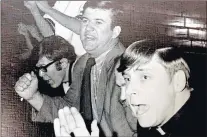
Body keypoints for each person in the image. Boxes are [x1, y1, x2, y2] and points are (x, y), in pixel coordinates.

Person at [15, 1, 136, 136]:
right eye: (85, 21)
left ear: (115, 32)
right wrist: (33, 96)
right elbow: (70, 109)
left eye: (98, 22)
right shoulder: (84, 63)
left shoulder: (128, 69)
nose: (88, 28)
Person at [53, 39, 206, 137]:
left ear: (177, 81)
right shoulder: (152, 124)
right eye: (127, 79)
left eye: (145, 77)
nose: (125, 95)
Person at [15, 35, 76, 102]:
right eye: (39, 69)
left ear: (63, 63)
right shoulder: (67, 85)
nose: (41, 75)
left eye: (43, 67)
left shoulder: (82, 78)